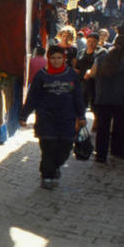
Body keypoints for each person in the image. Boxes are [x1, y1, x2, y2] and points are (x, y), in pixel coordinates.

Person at [20, 46, 86, 189]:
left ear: (64, 59)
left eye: (59, 58)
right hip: (46, 119)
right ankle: (47, 177)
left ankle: (55, 167)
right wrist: (24, 115)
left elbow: (78, 97)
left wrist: (81, 116)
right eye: (53, 58)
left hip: (67, 119)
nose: (56, 61)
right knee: (48, 148)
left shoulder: (71, 75)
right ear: (48, 59)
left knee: (65, 148)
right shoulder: (41, 75)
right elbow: (32, 97)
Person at [89, 35, 124, 163]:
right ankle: (118, 152)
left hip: (102, 98)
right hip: (122, 99)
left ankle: (101, 155)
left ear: (114, 44)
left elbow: (92, 73)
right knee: (120, 126)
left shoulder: (100, 58)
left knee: (103, 127)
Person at [76, 32, 102, 112]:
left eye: (93, 41)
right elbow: (77, 66)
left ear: (97, 42)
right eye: (89, 41)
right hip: (81, 82)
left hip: (94, 83)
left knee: (95, 107)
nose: (91, 43)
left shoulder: (100, 53)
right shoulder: (81, 52)